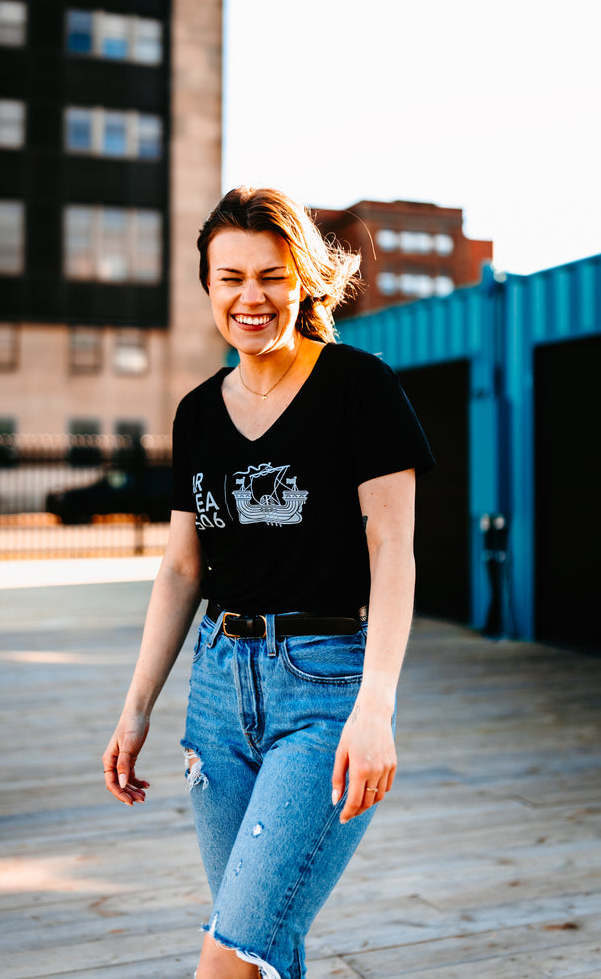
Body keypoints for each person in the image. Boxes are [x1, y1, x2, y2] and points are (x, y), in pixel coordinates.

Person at [103, 187, 435, 979]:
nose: (251, 296)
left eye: (272, 275)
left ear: (303, 282)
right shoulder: (196, 413)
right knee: (261, 948)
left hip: (324, 692)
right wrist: (136, 706)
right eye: (231, 277)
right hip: (217, 697)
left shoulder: (360, 388)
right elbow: (185, 566)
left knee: (226, 958)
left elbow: (394, 549)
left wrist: (376, 709)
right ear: (208, 286)